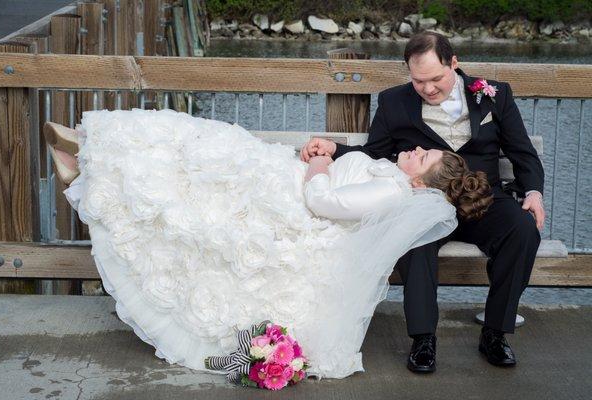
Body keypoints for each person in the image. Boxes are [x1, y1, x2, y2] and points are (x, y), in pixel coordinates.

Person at [43, 108, 491, 380]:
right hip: (286, 177)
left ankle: (88, 159)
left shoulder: (393, 190)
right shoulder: (392, 175)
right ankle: (86, 155)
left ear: (421, 181)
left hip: (293, 200)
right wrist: (330, 155)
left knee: (201, 169)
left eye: (425, 156)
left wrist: (319, 163)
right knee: (206, 146)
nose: (416, 149)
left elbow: (323, 202)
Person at [301, 31, 545, 373]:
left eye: (436, 79)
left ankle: (495, 331)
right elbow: (374, 154)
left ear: (454, 64)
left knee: (522, 229)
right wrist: (333, 149)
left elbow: (522, 152)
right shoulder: (393, 102)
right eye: (418, 81)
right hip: (426, 200)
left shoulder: (495, 94)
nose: (428, 89)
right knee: (414, 236)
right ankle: (423, 339)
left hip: (482, 196)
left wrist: (533, 192)